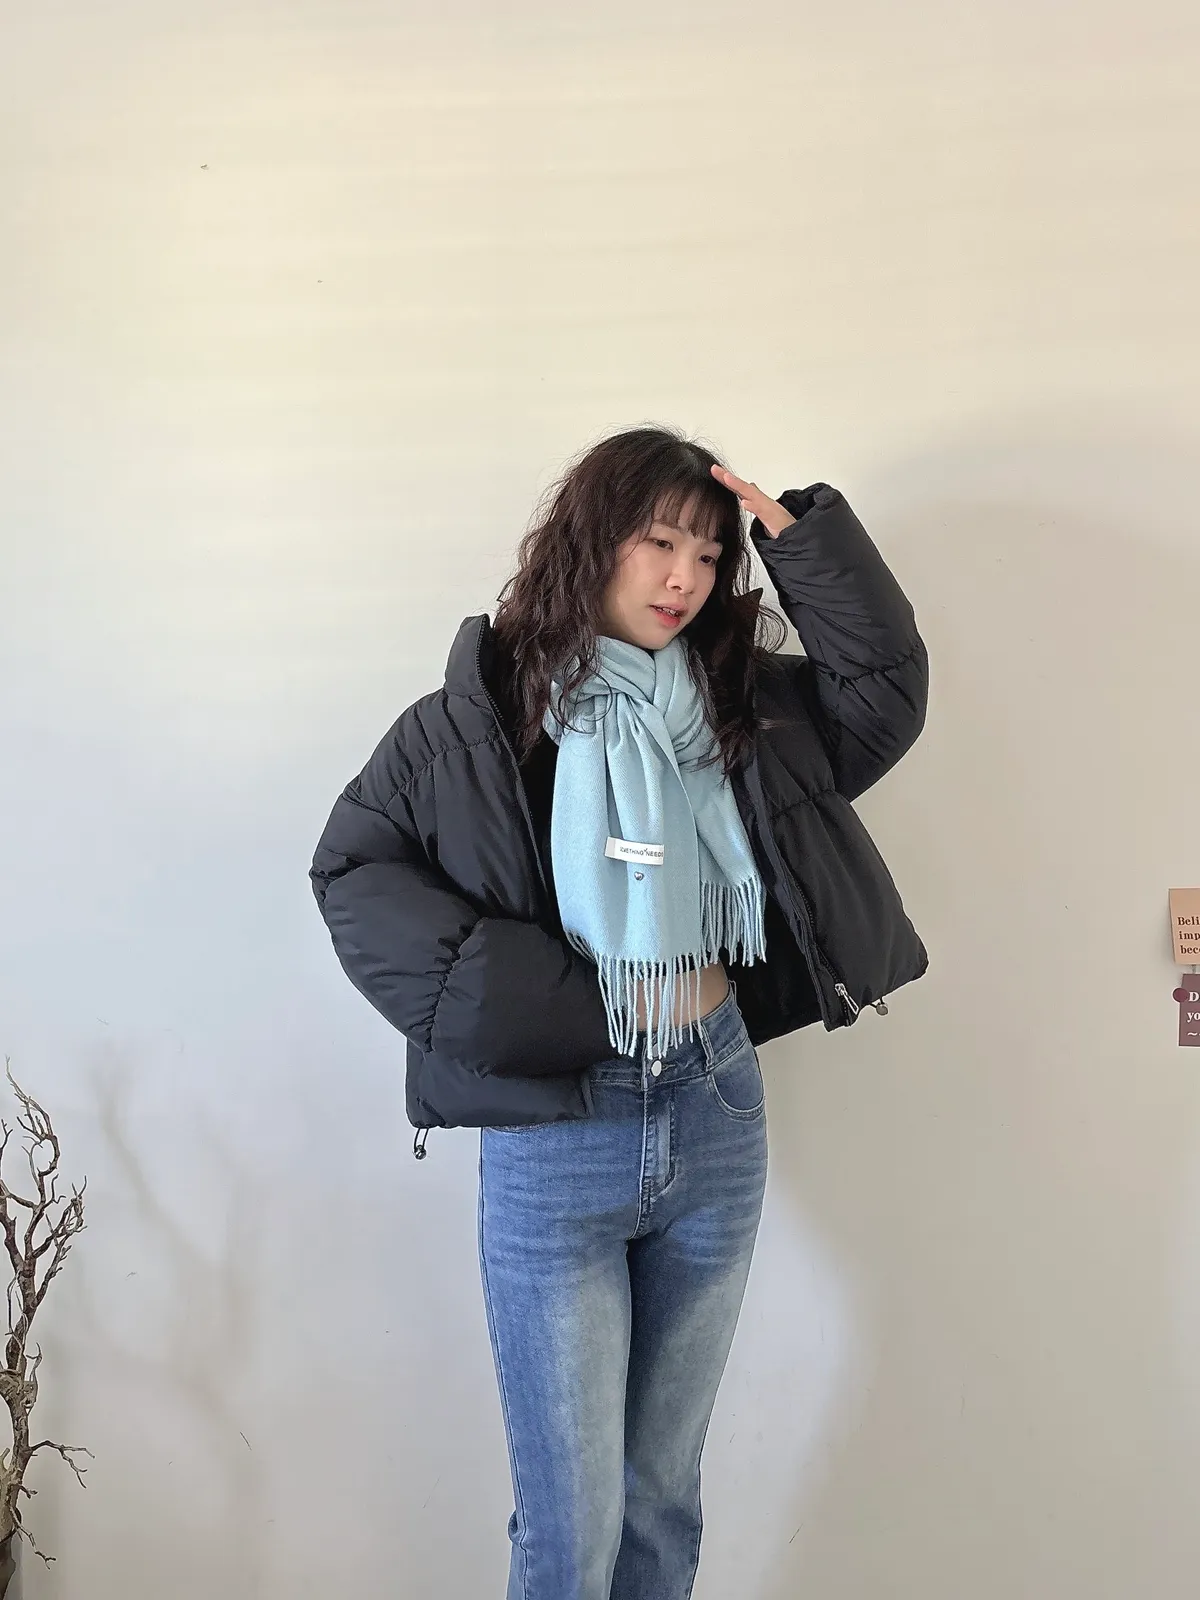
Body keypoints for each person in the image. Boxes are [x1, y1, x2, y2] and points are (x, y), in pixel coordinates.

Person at [309, 425, 930, 1599]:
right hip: (558, 1137)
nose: (684, 577)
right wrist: (534, 1004)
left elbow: (883, 698)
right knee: (571, 1531)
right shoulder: (482, 717)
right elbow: (352, 867)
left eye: (708, 552)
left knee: (660, 1508)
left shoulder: (740, 708)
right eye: (659, 542)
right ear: (593, 540)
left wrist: (800, 540)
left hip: (715, 1105)